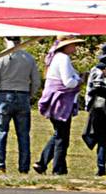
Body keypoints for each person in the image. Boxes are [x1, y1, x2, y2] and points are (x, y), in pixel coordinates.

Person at [0, 38, 41, 173]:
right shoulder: (29, 58)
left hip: (4, 95)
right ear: (20, 40)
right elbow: (36, 82)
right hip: (23, 95)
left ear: (5, 40)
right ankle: (24, 167)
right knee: (23, 134)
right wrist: (29, 95)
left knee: (0, 132)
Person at [34, 37, 85, 175]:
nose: (75, 47)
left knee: (59, 135)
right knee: (62, 138)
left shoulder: (56, 57)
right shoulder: (63, 59)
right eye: (73, 44)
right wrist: (80, 81)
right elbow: (68, 82)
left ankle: (42, 163)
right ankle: (58, 170)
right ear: (65, 46)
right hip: (61, 102)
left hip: (55, 101)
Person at [81, 44, 106, 176]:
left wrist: (87, 106)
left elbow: (89, 91)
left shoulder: (95, 69)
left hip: (98, 107)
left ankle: (101, 166)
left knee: (102, 137)